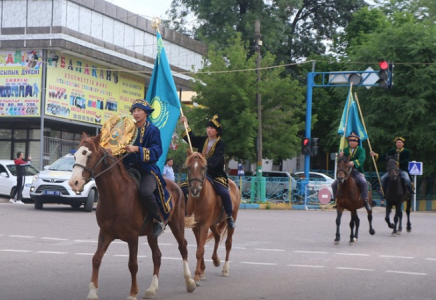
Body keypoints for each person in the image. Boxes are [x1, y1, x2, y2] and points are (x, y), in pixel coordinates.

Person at [180, 114, 236, 229]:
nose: (209, 130)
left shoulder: (220, 143)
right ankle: (185, 213)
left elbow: (216, 159)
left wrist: (204, 163)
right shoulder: (203, 140)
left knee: (224, 192)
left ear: (217, 131)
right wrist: (185, 124)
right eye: (208, 128)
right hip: (199, 173)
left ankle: (229, 216)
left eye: (211, 128)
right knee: (182, 189)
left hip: (215, 174)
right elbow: (191, 139)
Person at [123, 99, 165, 238]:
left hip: (147, 169)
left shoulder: (153, 130)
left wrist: (137, 149)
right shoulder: (128, 130)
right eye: (134, 111)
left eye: (138, 110)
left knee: (146, 192)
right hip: (129, 167)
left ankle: (157, 220)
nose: (135, 113)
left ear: (146, 113)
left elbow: (157, 151)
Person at [331, 132, 372, 211]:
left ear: (357, 142)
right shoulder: (345, 150)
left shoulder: (361, 150)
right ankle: (336, 200)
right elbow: (340, 161)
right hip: (345, 172)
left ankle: (365, 200)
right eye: (350, 140)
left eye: (354, 140)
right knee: (334, 184)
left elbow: (362, 159)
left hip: (356, 171)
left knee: (363, 182)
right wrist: (340, 156)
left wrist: (354, 162)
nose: (352, 142)